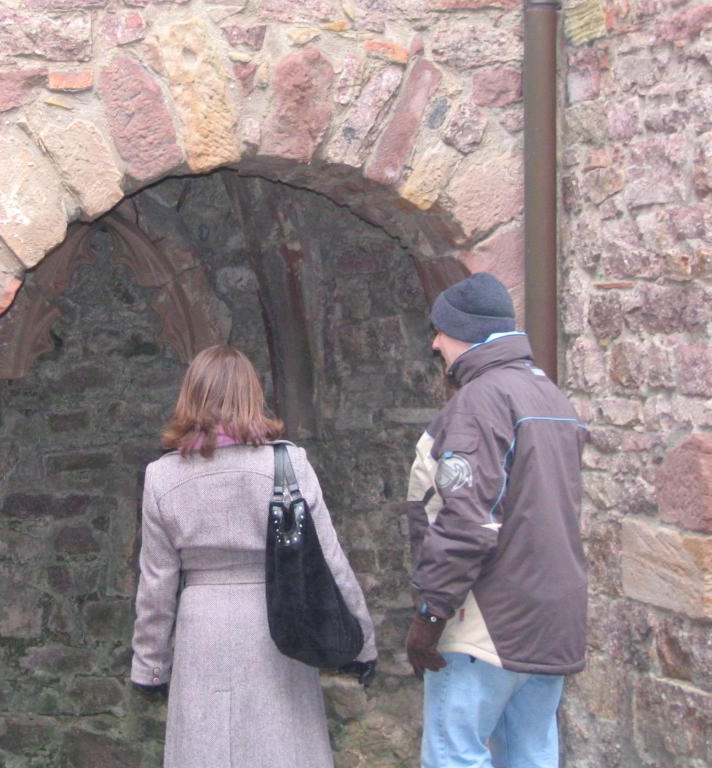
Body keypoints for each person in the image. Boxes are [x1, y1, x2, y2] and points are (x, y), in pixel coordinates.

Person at [130, 344, 377, 768]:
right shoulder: (289, 464)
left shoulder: (161, 477)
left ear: (190, 397)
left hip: (202, 629)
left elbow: (156, 587)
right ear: (251, 395)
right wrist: (362, 644)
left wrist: (150, 667)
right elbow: (330, 563)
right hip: (279, 624)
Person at [402, 273, 587, 768]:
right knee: (531, 755)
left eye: (441, 330)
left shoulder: (479, 402)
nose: (435, 343)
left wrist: (431, 615)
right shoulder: (552, 397)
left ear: (463, 332)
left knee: (454, 756)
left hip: (487, 622)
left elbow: (467, 522)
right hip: (552, 619)